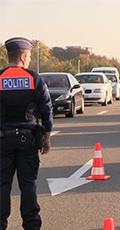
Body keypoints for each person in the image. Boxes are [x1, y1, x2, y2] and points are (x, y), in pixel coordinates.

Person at [0, 37, 53, 230]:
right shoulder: (34, 79)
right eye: (29, 56)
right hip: (27, 140)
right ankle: (31, 225)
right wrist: (47, 137)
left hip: (2, 140)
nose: (30, 59)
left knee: (2, 185)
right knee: (28, 184)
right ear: (22, 56)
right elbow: (46, 109)